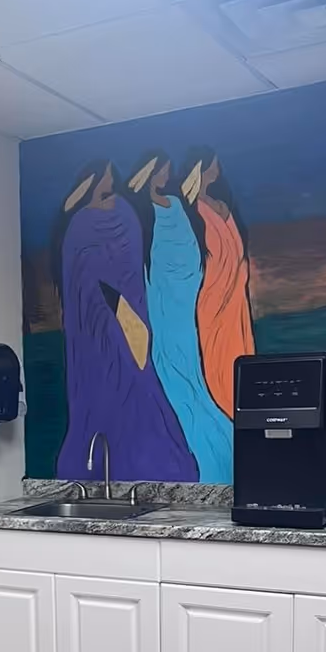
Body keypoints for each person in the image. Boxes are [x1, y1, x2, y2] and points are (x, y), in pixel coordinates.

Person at [52, 161, 197, 481]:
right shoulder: (82, 224)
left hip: (124, 312)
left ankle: (154, 462)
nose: (111, 177)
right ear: (92, 178)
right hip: (99, 321)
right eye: (105, 173)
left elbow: (129, 266)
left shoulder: (121, 211)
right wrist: (113, 306)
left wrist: (126, 310)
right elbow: (81, 278)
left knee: (138, 382)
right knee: (116, 386)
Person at [128, 153, 232, 482]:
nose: (168, 174)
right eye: (163, 169)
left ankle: (217, 448)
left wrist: (191, 277)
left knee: (188, 368)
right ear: (151, 171)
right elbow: (144, 258)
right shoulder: (139, 212)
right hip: (158, 297)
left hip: (183, 298)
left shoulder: (174, 202)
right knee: (169, 367)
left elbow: (187, 246)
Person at [181, 148, 255, 418]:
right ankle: (222, 411)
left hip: (234, 294)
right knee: (215, 356)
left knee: (237, 352)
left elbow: (234, 247)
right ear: (202, 167)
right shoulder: (189, 210)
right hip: (212, 297)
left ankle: (240, 411)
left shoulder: (219, 204)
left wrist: (239, 273)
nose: (218, 167)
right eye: (214, 163)